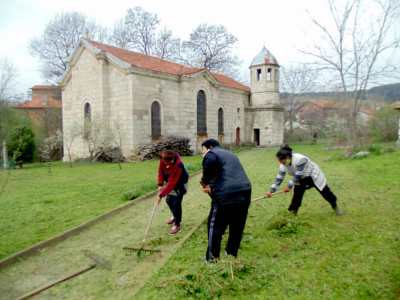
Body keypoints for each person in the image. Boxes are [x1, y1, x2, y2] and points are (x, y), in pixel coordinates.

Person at [201, 139, 252, 262]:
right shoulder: (230, 154)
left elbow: (210, 164)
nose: (202, 152)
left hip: (225, 195)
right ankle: (231, 253)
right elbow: (226, 173)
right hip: (245, 191)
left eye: (202, 149)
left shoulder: (212, 153)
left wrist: (205, 182)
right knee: (237, 226)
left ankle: (212, 259)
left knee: (215, 228)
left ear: (210, 146)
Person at [266, 145, 343, 216]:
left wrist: (289, 186)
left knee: (325, 192)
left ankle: (334, 205)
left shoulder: (300, 159)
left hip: (313, 176)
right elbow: (279, 178)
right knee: (297, 195)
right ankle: (293, 211)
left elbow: (298, 174)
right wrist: (271, 191)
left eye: (281, 161)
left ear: (287, 157)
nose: (281, 163)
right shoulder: (283, 165)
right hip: (300, 179)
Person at [156, 146, 189, 235]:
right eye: (165, 162)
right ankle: (175, 216)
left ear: (173, 157)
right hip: (171, 182)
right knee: (169, 200)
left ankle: (177, 225)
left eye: (169, 162)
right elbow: (160, 171)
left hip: (180, 183)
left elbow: (172, 183)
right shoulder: (163, 159)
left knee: (176, 203)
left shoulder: (178, 165)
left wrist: (160, 195)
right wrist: (160, 184)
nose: (167, 165)